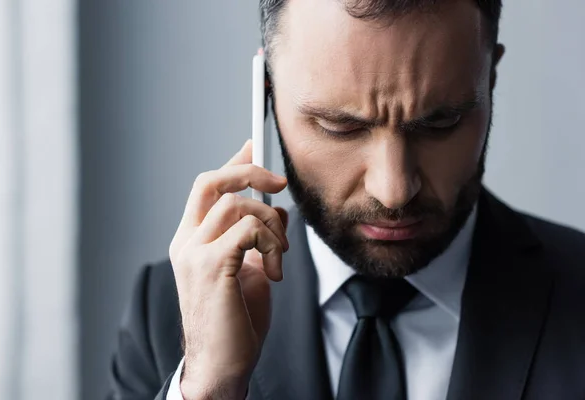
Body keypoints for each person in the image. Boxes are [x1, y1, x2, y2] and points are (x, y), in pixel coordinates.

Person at [107, 0, 585, 399]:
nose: (394, 190)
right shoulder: (167, 316)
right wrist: (209, 389)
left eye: (441, 124)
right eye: (342, 127)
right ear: (267, 95)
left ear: (490, 80)